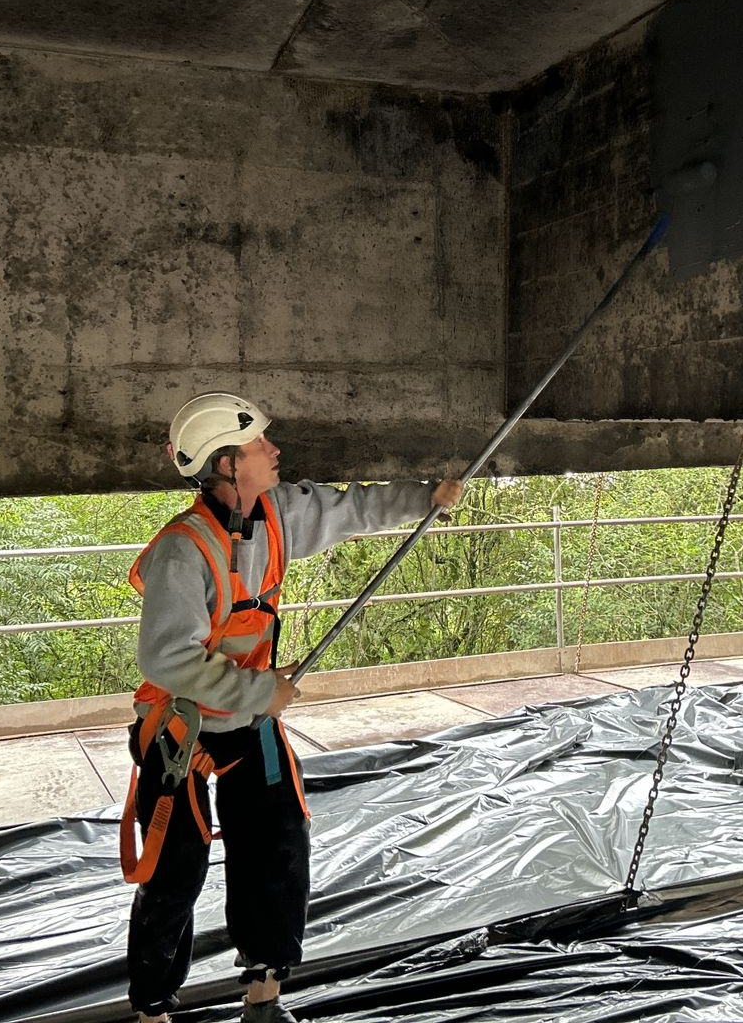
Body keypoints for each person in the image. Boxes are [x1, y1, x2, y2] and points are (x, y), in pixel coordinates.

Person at [121, 392, 463, 1023]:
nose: (274, 451)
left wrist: (424, 498)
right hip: (184, 736)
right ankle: (152, 1010)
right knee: (174, 875)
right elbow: (167, 661)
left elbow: (350, 507)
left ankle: (263, 998)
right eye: (258, 445)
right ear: (226, 464)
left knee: (277, 847)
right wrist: (261, 692)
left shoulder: (275, 516)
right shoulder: (183, 551)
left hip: (250, 725)